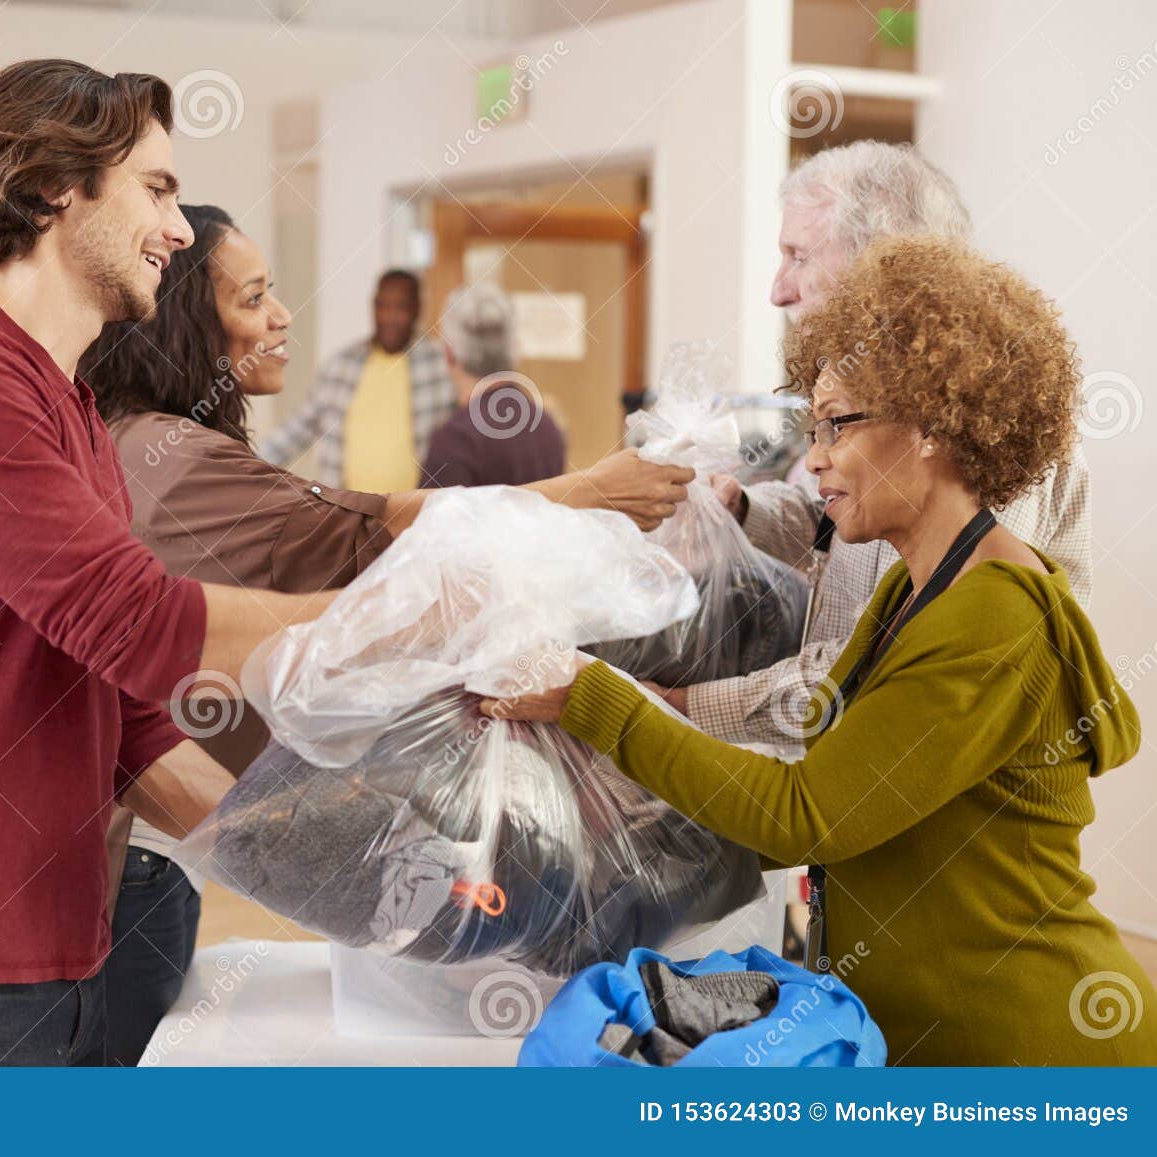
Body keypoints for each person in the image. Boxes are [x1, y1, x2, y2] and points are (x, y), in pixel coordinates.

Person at [487, 236, 1156, 1066]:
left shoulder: (995, 620)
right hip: (922, 1039)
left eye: (840, 423)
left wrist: (591, 695)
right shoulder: (913, 588)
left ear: (935, 427)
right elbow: (829, 804)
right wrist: (612, 801)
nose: (814, 457)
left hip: (1027, 1047)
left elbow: (810, 813)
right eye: (813, 425)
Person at [0, 61, 343, 1068]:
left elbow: (133, 717)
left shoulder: (75, 411)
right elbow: (128, 615)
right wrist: (397, 617)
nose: (181, 232)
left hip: (64, 954)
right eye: (158, 188)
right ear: (54, 187)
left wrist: (351, 874)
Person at [78, 203, 695, 1065]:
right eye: (255, 298)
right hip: (139, 863)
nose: (282, 315)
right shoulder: (168, 457)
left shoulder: (156, 443)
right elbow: (372, 531)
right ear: (189, 322)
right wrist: (586, 495)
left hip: (154, 850)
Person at [671, 142, 1092, 747]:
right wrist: (740, 509)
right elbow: (835, 531)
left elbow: (877, 665)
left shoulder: (983, 429)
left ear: (886, 259)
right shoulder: (884, 402)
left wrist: (676, 707)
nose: (778, 291)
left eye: (797, 256)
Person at [257, 268, 452, 491]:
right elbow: (297, 430)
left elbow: (466, 432)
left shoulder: (441, 365)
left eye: (400, 307)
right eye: (383, 306)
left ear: (417, 309)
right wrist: (244, 467)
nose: (389, 317)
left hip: (418, 515)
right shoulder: (341, 365)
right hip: (348, 514)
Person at [420, 283, 566, 488]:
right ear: (514, 350)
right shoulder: (547, 429)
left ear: (449, 354)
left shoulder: (455, 441)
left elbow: (432, 519)